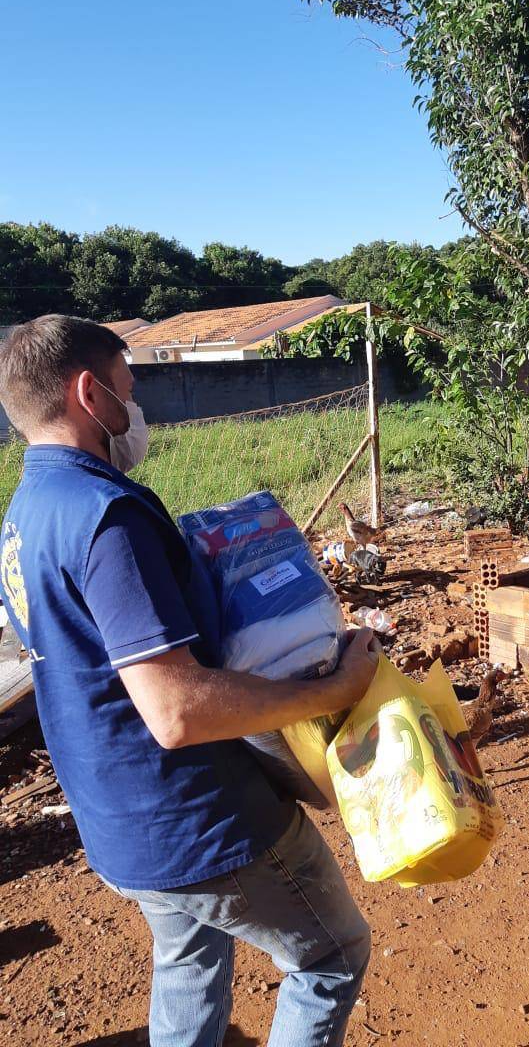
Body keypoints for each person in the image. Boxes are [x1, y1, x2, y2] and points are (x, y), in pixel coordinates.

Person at [0, 315, 378, 1047]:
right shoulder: (107, 516)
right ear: (90, 393)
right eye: (128, 387)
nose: (136, 406)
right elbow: (174, 710)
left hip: (119, 821)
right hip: (201, 820)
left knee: (189, 962)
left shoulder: (23, 515)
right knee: (330, 956)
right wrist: (333, 691)